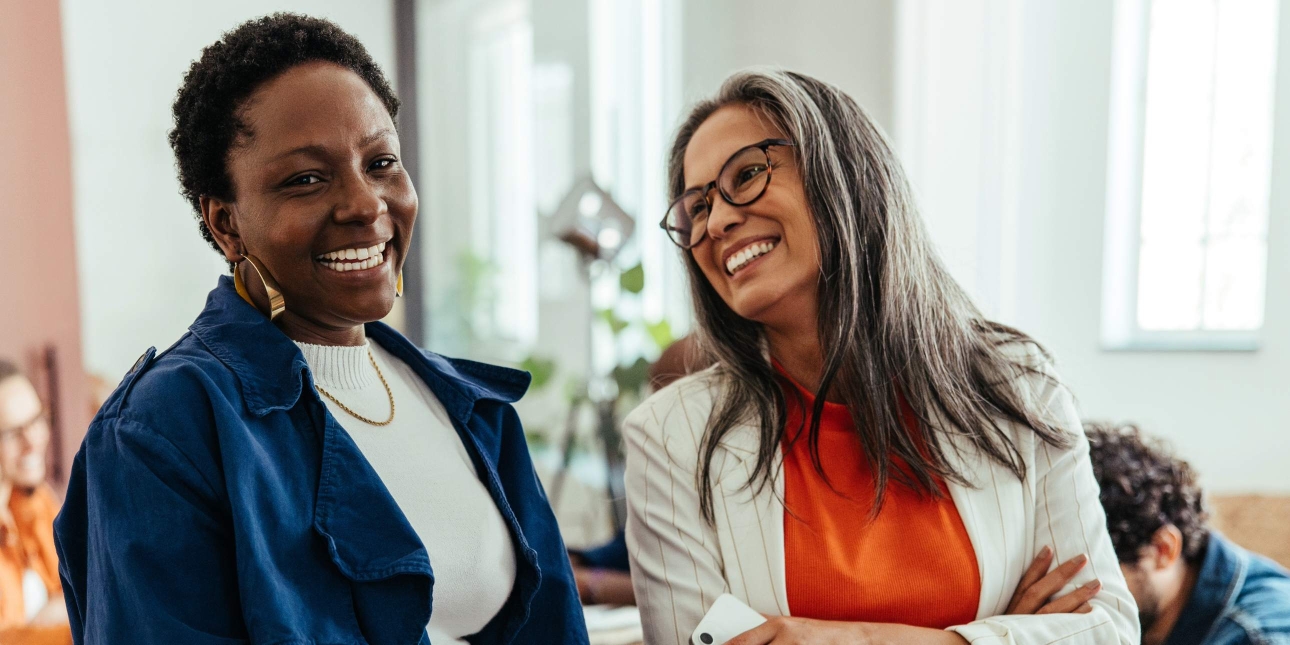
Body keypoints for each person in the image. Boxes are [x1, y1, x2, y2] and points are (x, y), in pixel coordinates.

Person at [53, 14, 587, 645]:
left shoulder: (473, 409)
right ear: (227, 224)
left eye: (381, 161)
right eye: (306, 179)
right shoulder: (164, 430)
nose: (366, 204)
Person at [623, 69, 1139, 645]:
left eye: (746, 175)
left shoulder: (1015, 381)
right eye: (697, 208)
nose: (716, 222)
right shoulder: (670, 436)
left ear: (842, 173)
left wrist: (861, 639)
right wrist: (1004, 633)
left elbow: (1108, 629)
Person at [1086, 421, 1290, 645]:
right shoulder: (1156, 619)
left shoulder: (1257, 636)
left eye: (1092, 579)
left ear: (1163, 549)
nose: (1078, 598)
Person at [0, 360, 68, 632]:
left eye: (36, 420)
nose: (34, 440)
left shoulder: (35, 500)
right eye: (13, 432)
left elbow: (76, 586)